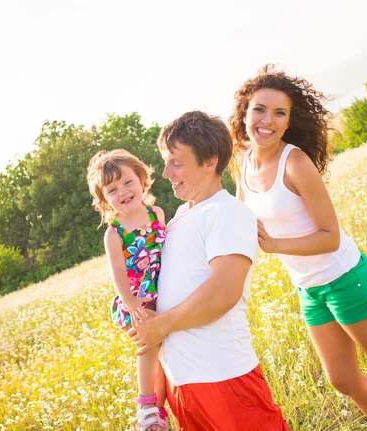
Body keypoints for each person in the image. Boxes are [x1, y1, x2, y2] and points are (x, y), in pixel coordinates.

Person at [230, 64, 367, 431]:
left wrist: (274, 244)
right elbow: (238, 220)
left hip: (345, 277)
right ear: (244, 113)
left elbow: (329, 235)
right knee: (342, 380)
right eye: (259, 109)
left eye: (279, 113)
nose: (267, 120)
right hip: (310, 288)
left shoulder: (295, 162)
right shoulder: (242, 163)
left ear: (287, 122)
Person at [129, 111, 289, 431]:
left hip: (224, 378)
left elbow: (224, 291)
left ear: (209, 162)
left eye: (176, 162)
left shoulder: (228, 212)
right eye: (165, 161)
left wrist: (159, 326)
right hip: (183, 383)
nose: (166, 172)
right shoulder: (177, 218)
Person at [87, 149, 168, 431]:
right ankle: (146, 407)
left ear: (143, 180)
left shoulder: (156, 213)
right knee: (150, 343)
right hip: (136, 299)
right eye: (112, 189)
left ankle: (160, 411)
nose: (122, 192)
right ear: (104, 200)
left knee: (166, 355)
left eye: (128, 182)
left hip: (163, 292)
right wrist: (133, 304)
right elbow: (118, 274)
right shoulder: (115, 232)